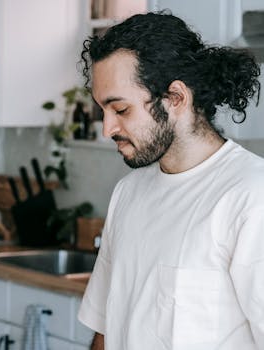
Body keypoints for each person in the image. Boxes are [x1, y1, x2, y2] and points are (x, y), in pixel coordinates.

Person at [77, 11, 263, 350]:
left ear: (176, 98)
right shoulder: (128, 193)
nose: (108, 129)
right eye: (101, 111)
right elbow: (106, 324)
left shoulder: (251, 195)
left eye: (120, 110)